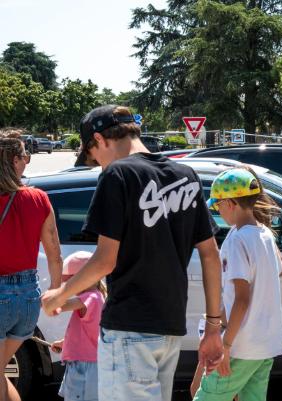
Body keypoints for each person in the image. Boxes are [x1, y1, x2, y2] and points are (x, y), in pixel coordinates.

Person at [40, 105, 225, 401]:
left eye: (94, 156)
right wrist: (214, 327)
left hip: (128, 326)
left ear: (99, 139)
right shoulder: (185, 174)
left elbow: (105, 260)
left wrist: (59, 295)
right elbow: (210, 255)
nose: (98, 165)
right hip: (170, 328)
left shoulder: (117, 175)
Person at [194, 168, 282, 401]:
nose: (218, 211)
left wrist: (225, 345)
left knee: (207, 397)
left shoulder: (237, 239)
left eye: (218, 206)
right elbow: (279, 271)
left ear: (230, 203)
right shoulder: (265, 234)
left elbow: (241, 299)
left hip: (240, 346)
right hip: (265, 345)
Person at [0, 128, 63, 401]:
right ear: (14, 160)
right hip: (28, 299)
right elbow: (54, 254)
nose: (27, 161)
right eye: (25, 155)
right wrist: (56, 293)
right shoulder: (38, 198)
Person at [50, 251, 106, 401]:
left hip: (85, 367)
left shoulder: (91, 297)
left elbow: (61, 305)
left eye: (71, 281)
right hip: (87, 363)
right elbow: (89, 332)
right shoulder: (96, 296)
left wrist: (49, 301)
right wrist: (64, 343)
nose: (70, 286)